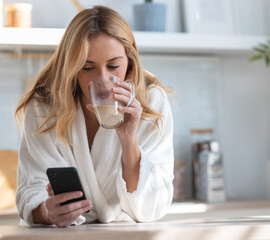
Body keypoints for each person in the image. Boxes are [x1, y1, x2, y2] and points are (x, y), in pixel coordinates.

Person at [15, 5, 174, 228]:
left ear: (129, 61)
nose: (103, 79)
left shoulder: (151, 102)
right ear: (71, 67)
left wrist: (129, 140)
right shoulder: (43, 107)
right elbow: (30, 189)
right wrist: (48, 212)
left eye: (114, 66)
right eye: (88, 67)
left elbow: (152, 206)